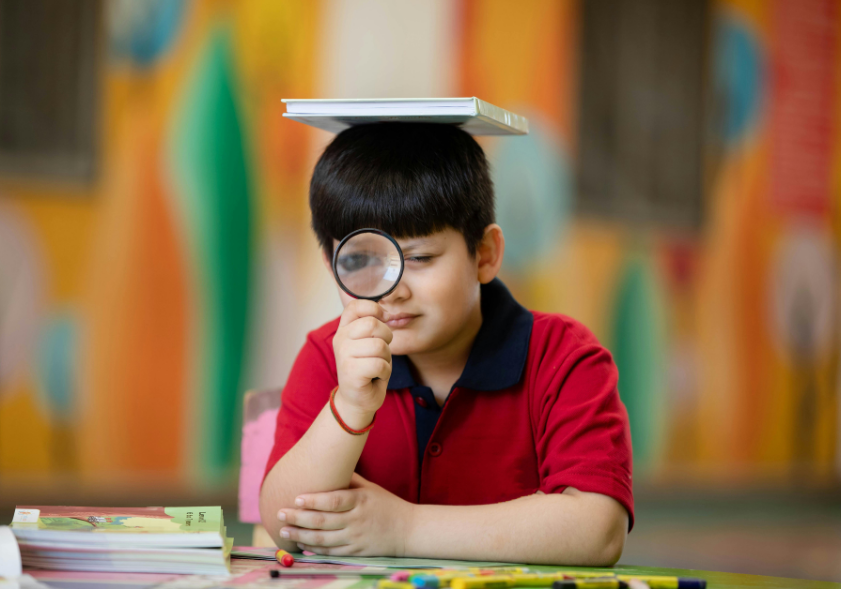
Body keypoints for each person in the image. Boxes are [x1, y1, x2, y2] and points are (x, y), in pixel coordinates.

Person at [259, 122, 633, 565]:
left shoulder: (564, 356)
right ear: (331, 263)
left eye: (419, 258)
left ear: (486, 254)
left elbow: (598, 531)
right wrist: (351, 407)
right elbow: (282, 522)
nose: (391, 288)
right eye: (360, 261)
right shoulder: (329, 354)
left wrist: (404, 528)